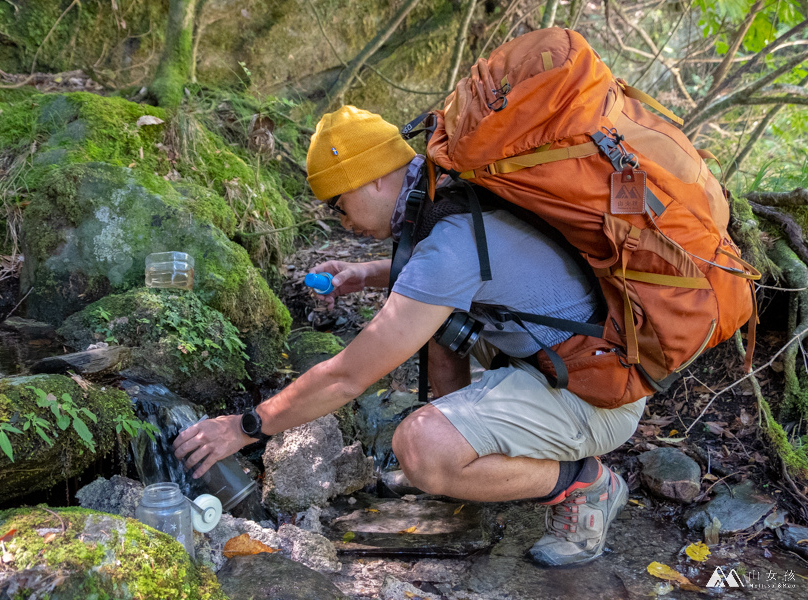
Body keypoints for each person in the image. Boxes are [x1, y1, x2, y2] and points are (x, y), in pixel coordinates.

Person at [173, 106, 647, 567]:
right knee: (437, 324)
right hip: (567, 361)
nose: (343, 221)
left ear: (374, 177)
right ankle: (470, 459)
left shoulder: (450, 235)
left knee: (421, 448)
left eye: (340, 205)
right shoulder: (448, 194)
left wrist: (244, 427)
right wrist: (365, 274)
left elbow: (346, 377)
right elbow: (458, 273)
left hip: (598, 396)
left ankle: (587, 483)